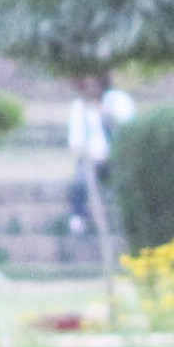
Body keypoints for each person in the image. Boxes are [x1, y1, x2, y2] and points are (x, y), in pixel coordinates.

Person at [62, 74, 128, 256]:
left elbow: (127, 126)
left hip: (116, 156)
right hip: (91, 159)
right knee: (81, 182)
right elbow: (75, 140)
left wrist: (106, 115)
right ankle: (79, 220)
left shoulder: (116, 101)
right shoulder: (79, 108)